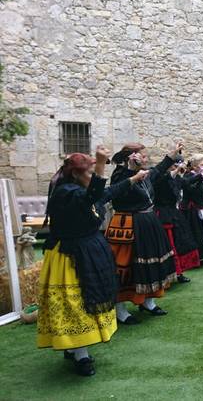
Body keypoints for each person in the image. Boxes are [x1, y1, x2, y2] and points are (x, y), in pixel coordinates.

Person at [38, 147, 148, 376]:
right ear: (76, 174)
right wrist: (100, 164)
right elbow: (94, 196)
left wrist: (133, 179)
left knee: (87, 300)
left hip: (89, 250)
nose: (91, 176)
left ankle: (75, 348)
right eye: (88, 172)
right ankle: (81, 355)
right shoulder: (65, 192)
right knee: (75, 304)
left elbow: (106, 194)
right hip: (70, 256)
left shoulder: (78, 188)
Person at [106, 142, 182, 324]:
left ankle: (148, 302)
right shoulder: (120, 174)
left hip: (148, 223)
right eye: (143, 155)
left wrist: (171, 155)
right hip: (128, 225)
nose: (146, 159)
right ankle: (120, 310)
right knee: (126, 267)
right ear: (131, 157)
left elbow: (157, 171)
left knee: (152, 263)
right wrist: (131, 169)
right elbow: (117, 191)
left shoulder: (145, 174)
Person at [154, 157, 200, 283]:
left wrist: (202, 175)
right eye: (175, 165)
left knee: (180, 242)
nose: (176, 167)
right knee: (169, 245)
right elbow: (162, 183)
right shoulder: (160, 177)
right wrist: (176, 170)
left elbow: (187, 182)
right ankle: (166, 274)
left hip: (174, 214)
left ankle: (179, 273)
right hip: (163, 215)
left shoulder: (177, 178)